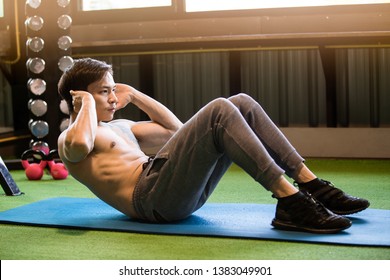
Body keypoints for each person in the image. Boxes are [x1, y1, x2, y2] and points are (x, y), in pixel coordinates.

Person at [57, 58, 369, 234]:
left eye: (114, 90)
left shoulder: (120, 127)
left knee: (240, 103)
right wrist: (84, 102)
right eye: (103, 92)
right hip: (151, 199)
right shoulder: (69, 138)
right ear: (78, 97)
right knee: (220, 109)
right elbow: (78, 145)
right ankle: (290, 202)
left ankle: (309, 183)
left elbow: (175, 133)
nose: (113, 98)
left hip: (170, 188)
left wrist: (136, 94)